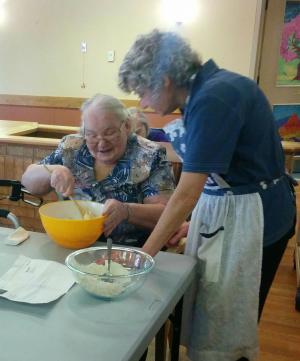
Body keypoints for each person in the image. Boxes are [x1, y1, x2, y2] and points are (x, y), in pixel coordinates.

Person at [118, 29, 296, 361]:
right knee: (217, 311)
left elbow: (186, 193)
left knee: (232, 318)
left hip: (255, 219)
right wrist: (194, 224)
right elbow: (217, 177)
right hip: (233, 210)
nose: (142, 102)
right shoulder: (209, 91)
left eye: (142, 91)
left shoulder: (214, 97)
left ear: (165, 80)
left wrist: (143, 257)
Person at [21, 94, 174, 248]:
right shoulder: (72, 147)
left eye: (109, 133)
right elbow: (28, 181)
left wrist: (127, 211)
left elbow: (167, 215)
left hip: (129, 253)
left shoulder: (149, 155)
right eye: (91, 134)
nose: (101, 143)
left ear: (126, 126)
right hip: (73, 245)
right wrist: (53, 170)